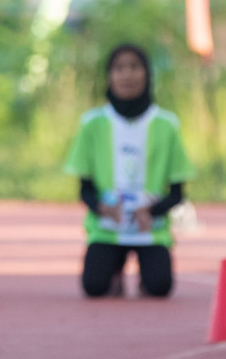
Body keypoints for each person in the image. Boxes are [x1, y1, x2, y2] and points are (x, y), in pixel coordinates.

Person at [64, 44, 193, 299]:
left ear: (147, 74)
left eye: (134, 67)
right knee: (94, 287)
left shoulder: (167, 124)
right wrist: (104, 209)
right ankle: (114, 271)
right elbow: (85, 190)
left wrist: (151, 211)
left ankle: (147, 274)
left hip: (151, 230)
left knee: (160, 288)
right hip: (107, 227)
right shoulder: (92, 123)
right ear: (109, 76)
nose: (127, 75)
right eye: (119, 68)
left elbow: (177, 193)